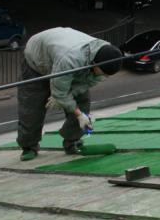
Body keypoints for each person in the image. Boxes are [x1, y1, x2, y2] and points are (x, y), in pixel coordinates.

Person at [17, 27, 122, 161]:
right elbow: (59, 93)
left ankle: (72, 141)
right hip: (37, 61)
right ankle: (28, 146)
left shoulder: (106, 56)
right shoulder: (70, 60)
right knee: (31, 107)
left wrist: (79, 112)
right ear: (94, 64)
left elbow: (85, 84)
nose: (103, 77)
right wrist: (75, 111)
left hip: (63, 57)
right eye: (102, 73)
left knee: (82, 101)